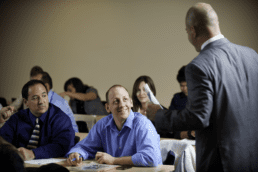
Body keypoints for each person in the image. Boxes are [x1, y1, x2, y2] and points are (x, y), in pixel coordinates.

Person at [147, 2, 258, 172]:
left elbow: (198, 117)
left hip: (220, 163)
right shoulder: (251, 55)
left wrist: (159, 115)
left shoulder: (199, 65)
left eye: (186, 31)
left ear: (192, 31)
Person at [66, 85, 162, 167]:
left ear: (131, 102)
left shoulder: (143, 124)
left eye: (125, 99)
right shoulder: (102, 125)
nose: (122, 105)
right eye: (116, 101)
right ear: (108, 107)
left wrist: (113, 161)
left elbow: (151, 158)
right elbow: (85, 147)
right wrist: (77, 154)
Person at [0, 80, 75, 160]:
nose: (41, 101)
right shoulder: (17, 118)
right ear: (26, 102)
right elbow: (3, 142)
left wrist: (33, 153)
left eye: (44, 96)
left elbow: (63, 145)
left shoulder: (60, 118)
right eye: (35, 98)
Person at [169, 66, 195, 140]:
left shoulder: (199, 98)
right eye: (182, 86)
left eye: (187, 85)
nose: (184, 89)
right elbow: (171, 120)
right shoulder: (176, 98)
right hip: (179, 136)